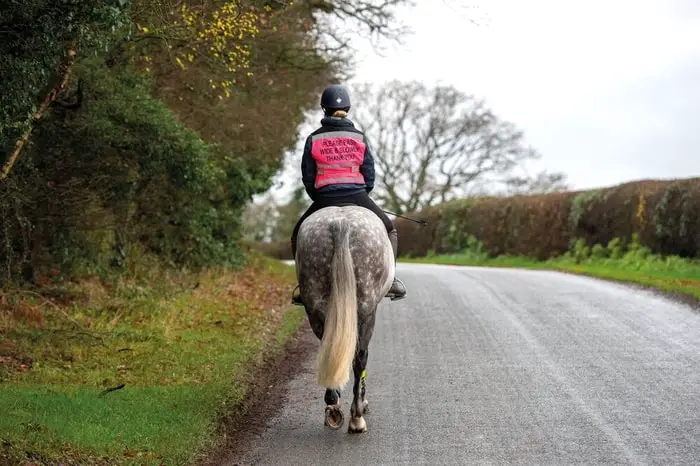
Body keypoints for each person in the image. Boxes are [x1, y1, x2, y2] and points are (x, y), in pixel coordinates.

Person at [290, 84, 407, 306]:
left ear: (323, 108)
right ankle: (391, 281)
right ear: (348, 107)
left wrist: (319, 195)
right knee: (390, 229)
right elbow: (369, 173)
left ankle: (303, 286)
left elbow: (308, 176)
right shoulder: (359, 137)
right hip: (358, 196)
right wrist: (362, 193)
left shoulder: (313, 139)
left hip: (324, 198)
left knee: (297, 233)